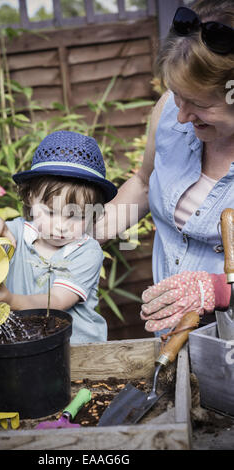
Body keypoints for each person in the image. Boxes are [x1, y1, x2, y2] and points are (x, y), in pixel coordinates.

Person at [96, 0, 234, 334]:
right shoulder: (172, 112)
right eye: (176, 94)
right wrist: (80, 234)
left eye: (200, 104)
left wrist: (217, 289)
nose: (182, 116)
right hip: (172, 335)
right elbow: (144, 183)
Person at [0, 130, 117, 344]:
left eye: (76, 216)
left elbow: (58, 300)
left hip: (80, 352)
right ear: (29, 198)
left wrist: (10, 300)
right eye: (50, 212)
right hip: (25, 347)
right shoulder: (14, 233)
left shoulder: (86, 251)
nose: (61, 226)